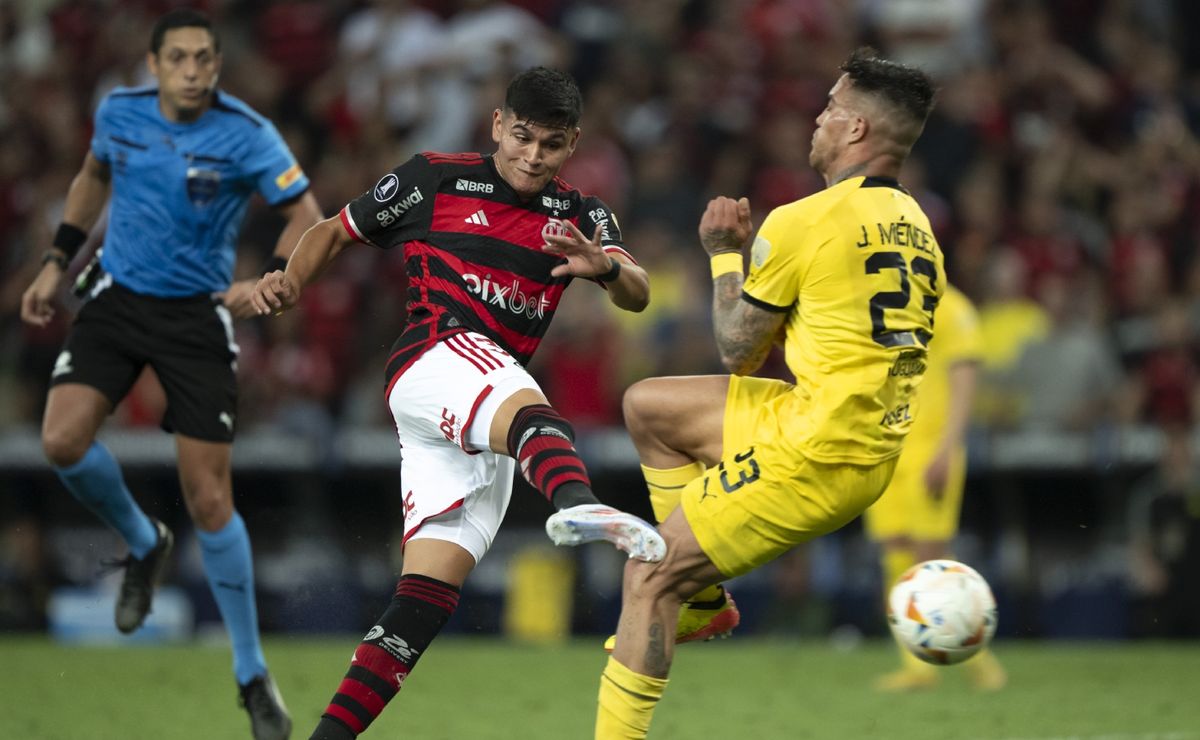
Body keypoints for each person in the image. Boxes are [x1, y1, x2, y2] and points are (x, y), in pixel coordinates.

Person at [251, 65, 665, 740]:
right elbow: (332, 230)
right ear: (498, 125)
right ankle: (577, 502)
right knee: (536, 415)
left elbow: (638, 292)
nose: (533, 156)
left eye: (551, 144)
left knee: (424, 601)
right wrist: (290, 283)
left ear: (572, 145)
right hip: (433, 357)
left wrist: (609, 268)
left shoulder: (582, 217)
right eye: (522, 136)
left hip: (476, 412)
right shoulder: (434, 179)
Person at [593, 48, 941, 739]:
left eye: (832, 106)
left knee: (649, 575)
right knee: (650, 408)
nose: (818, 117)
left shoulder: (806, 220)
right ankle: (702, 602)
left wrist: (724, 250)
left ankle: (677, 599)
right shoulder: (919, 226)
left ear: (857, 129)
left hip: (818, 450)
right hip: (854, 434)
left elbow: (738, 349)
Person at [19, 9, 321, 739]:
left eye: (204, 58)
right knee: (60, 442)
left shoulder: (248, 134)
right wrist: (57, 261)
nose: (192, 70)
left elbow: (306, 215)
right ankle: (144, 539)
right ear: (153, 65)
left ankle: (251, 674)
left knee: (210, 499)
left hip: (197, 316)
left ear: (218, 66)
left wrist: (270, 281)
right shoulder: (118, 113)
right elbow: (92, 176)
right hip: (117, 298)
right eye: (178, 57)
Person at [862, 282, 1007, 691]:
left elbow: (964, 379)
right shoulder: (883, 305)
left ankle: (978, 659)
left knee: (931, 558)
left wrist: (948, 448)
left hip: (931, 449)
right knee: (894, 551)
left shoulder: (952, 307)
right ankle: (918, 667)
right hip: (886, 447)